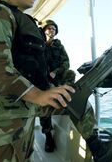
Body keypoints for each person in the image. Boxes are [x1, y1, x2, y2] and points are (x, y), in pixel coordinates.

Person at [0, 0, 112, 161]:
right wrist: (38, 94)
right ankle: (51, 135)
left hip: (20, 103)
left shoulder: (16, 18)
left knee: (76, 98)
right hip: (2, 112)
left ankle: (97, 148)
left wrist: (46, 89)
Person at [38, 19, 76, 152]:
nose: (51, 31)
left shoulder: (59, 46)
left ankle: (66, 101)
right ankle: (48, 135)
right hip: (43, 79)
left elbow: (66, 63)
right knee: (44, 102)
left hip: (57, 77)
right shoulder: (38, 45)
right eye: (49, 28)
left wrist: (56, 72)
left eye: (54, 29)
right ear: (44, 30)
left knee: (71, 73)